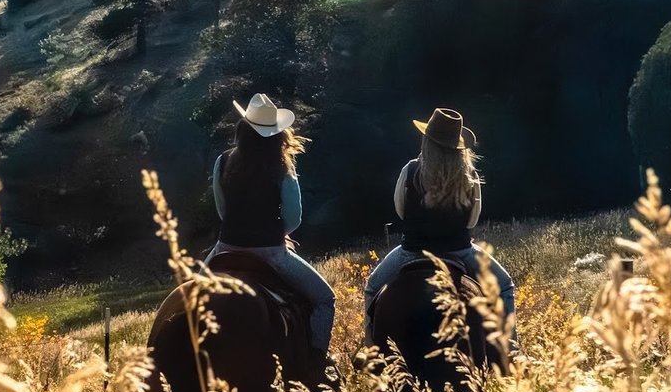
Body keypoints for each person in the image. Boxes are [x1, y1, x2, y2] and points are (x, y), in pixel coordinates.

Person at [208, 93, 337, 355]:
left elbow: (222, 209)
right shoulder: (282, 166)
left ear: (243, 127)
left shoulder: (223, 162)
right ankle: (316, 363)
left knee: (186, 302)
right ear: (278, 134)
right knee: (325, 299)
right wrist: (274, 233)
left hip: (225, 248)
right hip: (271, 252)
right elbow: (294, 217)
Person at [364, 107, 517, 324]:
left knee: (372, 289)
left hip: (412, 251)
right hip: (460, 251)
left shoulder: (410, 170)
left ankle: (370, 353)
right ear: (459, 147)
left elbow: (400, 211)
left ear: (427, 141)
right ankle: (510, 351)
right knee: (504, 286)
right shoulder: (469, 175)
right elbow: (472, 220)